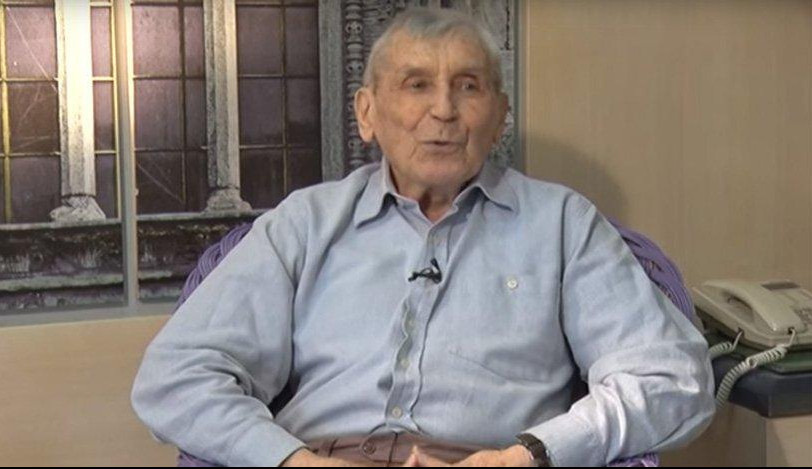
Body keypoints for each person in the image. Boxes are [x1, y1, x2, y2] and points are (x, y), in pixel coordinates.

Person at [132, 8, 714, 467]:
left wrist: (528, 455)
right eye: (416, 84)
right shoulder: (304, 223)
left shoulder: (563, 224)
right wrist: (291, 460)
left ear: (500, 115)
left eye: (468, 86)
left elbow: (674, 380)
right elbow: (175, 377)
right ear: (367, 113)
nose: (443, 110)